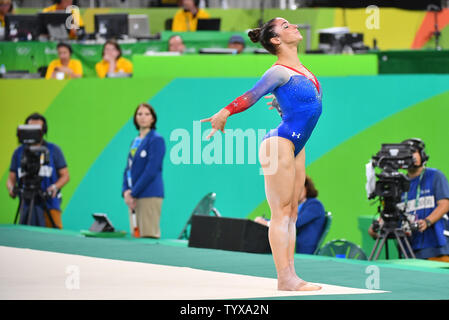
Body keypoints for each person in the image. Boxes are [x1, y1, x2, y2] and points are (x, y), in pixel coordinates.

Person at [201, 18, 323, 291]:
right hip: (279, 143)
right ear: (276, 40)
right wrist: (225, 112)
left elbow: (302, 107)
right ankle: (285, 277)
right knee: (280, 212)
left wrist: (283, 104)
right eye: (285, 25)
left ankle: (292, 275)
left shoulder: (302, 70)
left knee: (292, 212)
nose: (293, 26)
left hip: (297, 144)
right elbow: (252, 94)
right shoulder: (278, 71)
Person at [368, 138, 449, 262]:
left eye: (414, 152)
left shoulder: (435, 176)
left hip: (436, 246)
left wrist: (427, 221)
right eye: (407, 153)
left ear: (422, 155)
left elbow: (445, 204)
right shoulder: (397, 182)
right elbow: (390, 209)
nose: (412, 156)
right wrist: (378, 225)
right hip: (409, 248)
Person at [7, 113, 70, 229]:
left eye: (37, 129)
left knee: (52, 239)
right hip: (26, 203)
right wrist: (11, 188)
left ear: (43, 131)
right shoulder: (18, 152)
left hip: (49, 203)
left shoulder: (53, 150)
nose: (33, 133)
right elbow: (11, 178)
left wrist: (55, 187)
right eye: (30, 129)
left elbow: (65, 175)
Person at [122, 103, 166, 238]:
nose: (143, 117)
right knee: (137, 237)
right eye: (139, 114)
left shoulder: (156, 140)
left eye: (147, 114)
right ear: (135, 118)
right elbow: (128, 168)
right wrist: (126, 192)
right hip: (133, 196)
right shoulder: (135, 141)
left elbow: (151, 170)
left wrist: (134, 192)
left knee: (148, 236)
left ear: (153, 118)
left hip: (149, 195)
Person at [255, 176, 326, 254]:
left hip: (305, 251)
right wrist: (264, 221)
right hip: (294, 249)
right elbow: (284, 219)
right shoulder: (297, 206)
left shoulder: (315, 204)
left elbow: (294, 222)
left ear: (306, 188)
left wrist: (267, 223)